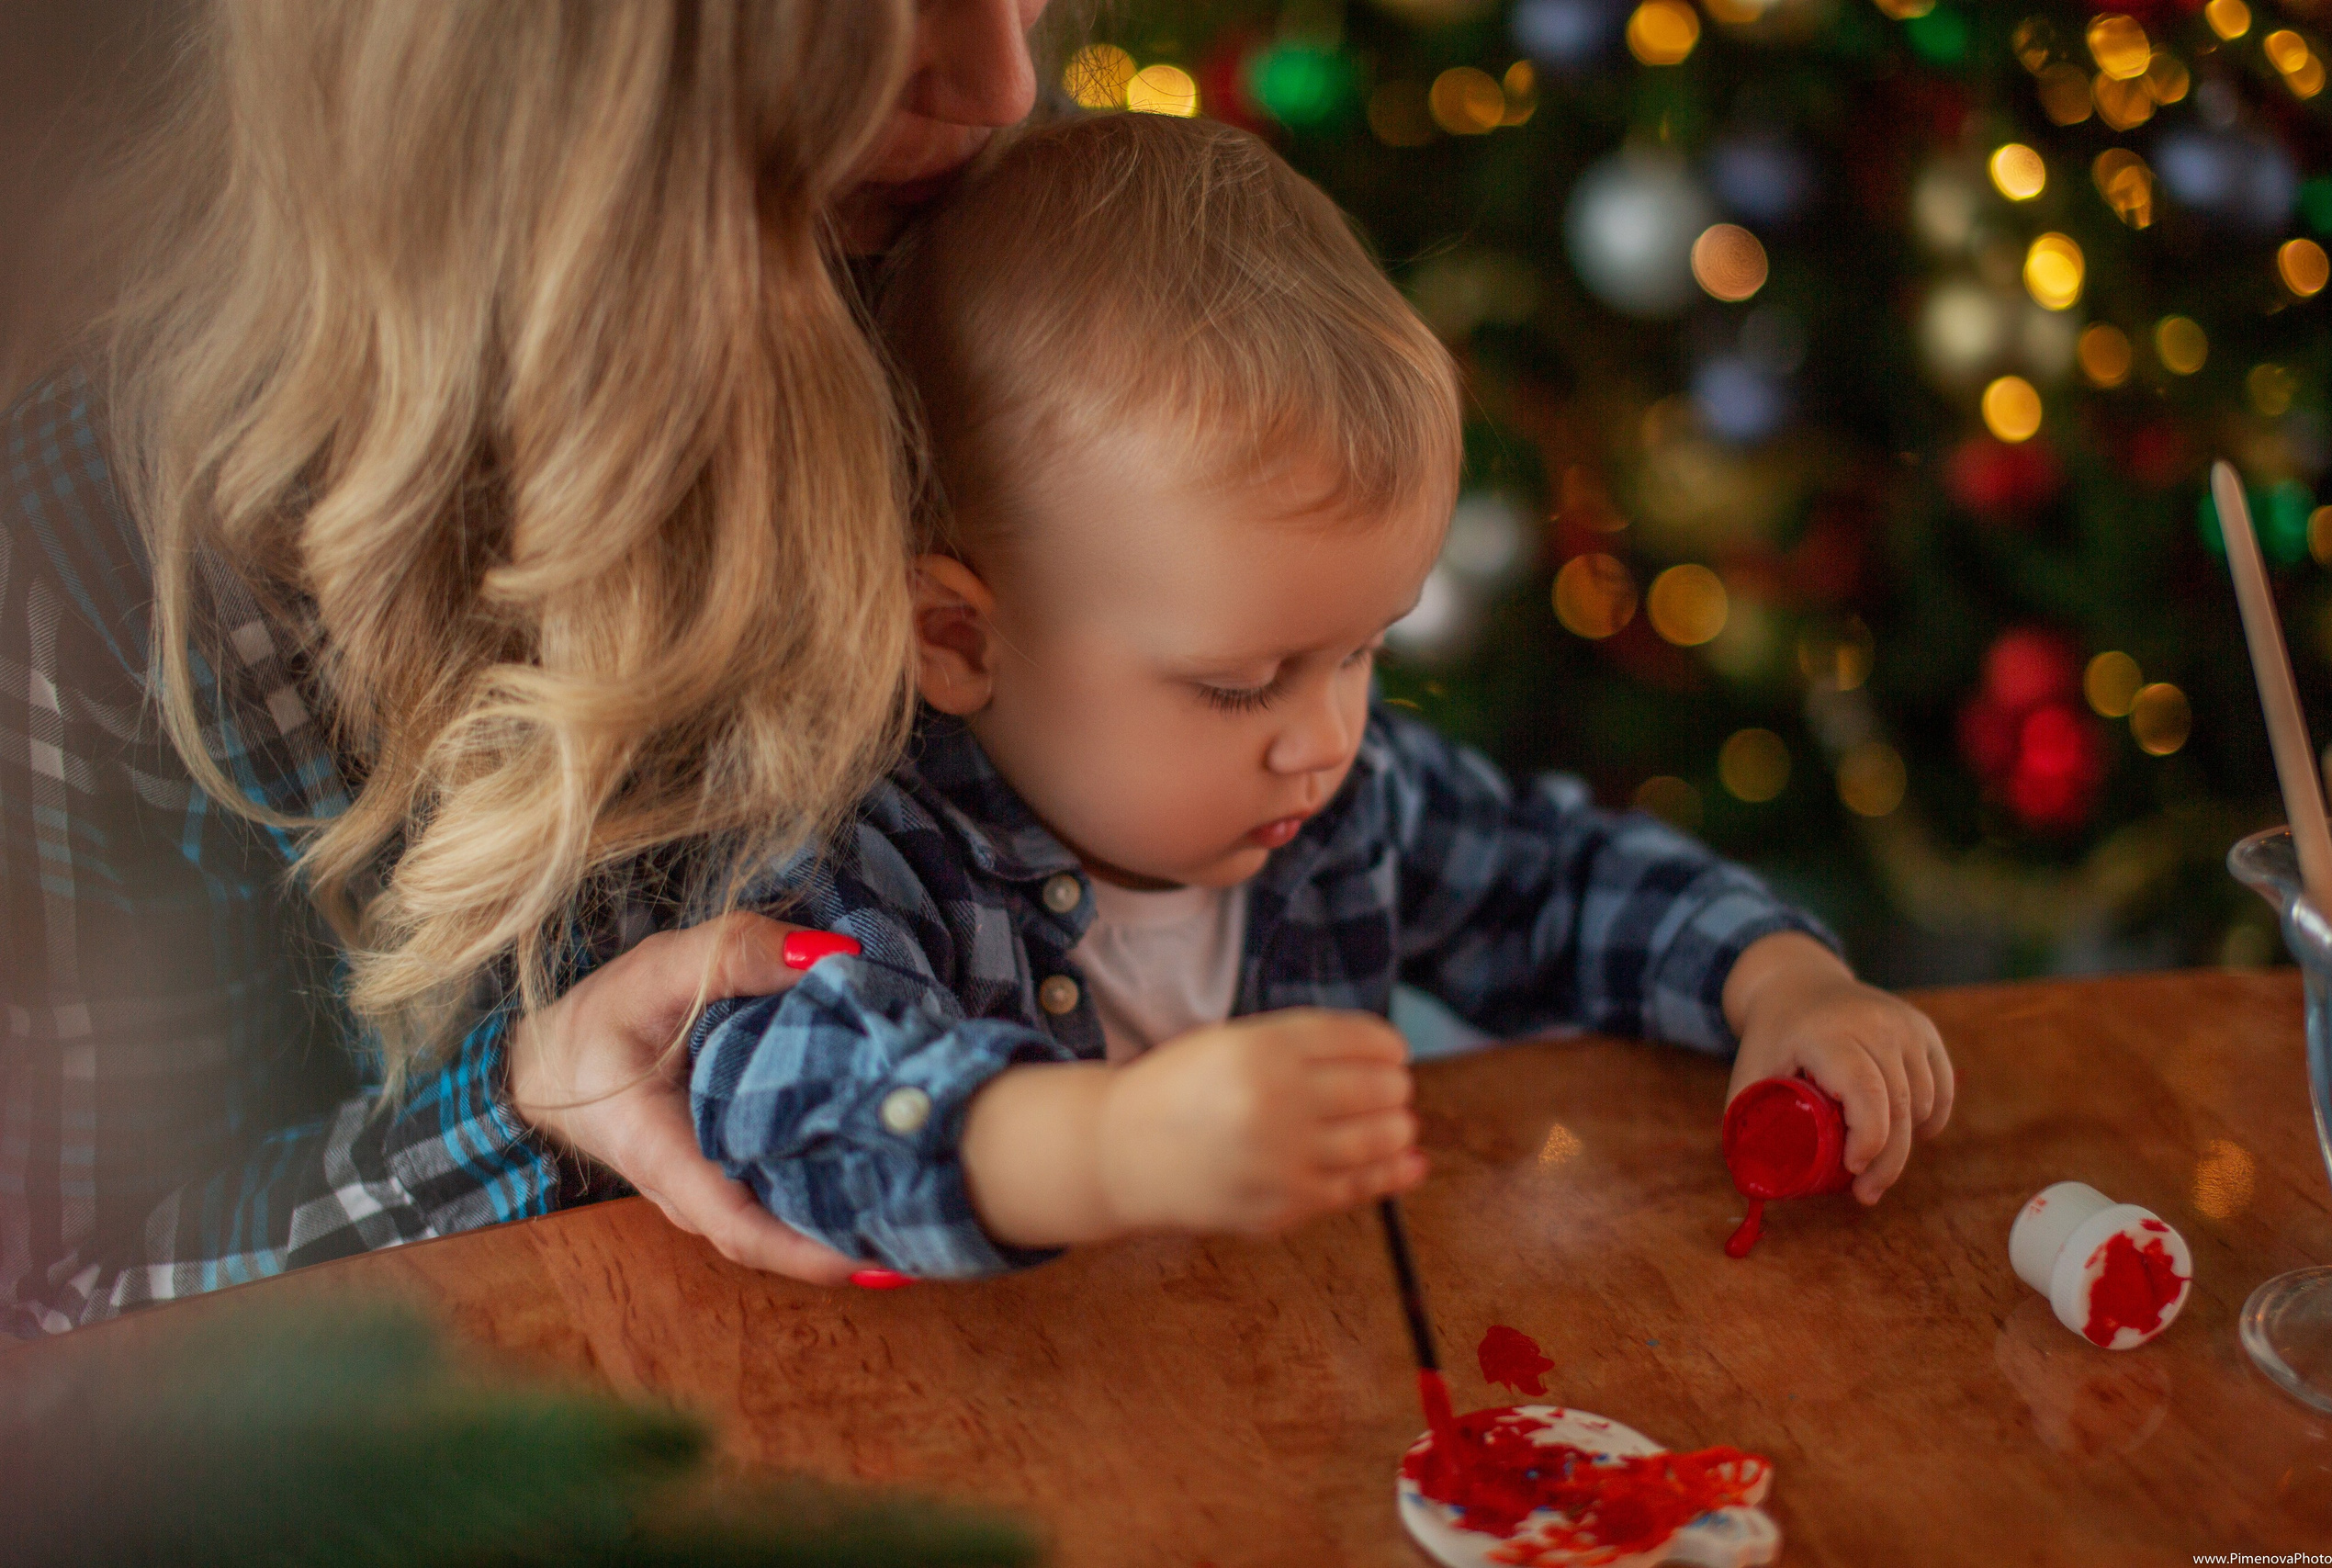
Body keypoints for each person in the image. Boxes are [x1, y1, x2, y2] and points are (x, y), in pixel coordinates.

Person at [688, 112, 1957, 1277]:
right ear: (958, 637)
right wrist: (1104, 1148)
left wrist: (1780, 983)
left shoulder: (1347, 810)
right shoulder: (866, 856)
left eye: (1362, 652)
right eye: (1241, 686)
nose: (1330, 738)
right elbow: (784, 1091)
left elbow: (1558, 882)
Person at [0, 0, 1050, 1336]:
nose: (1006, 87)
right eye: (847, 19)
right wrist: (522, 1107)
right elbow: (65, 1301)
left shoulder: (988, 271)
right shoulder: (112, 553)